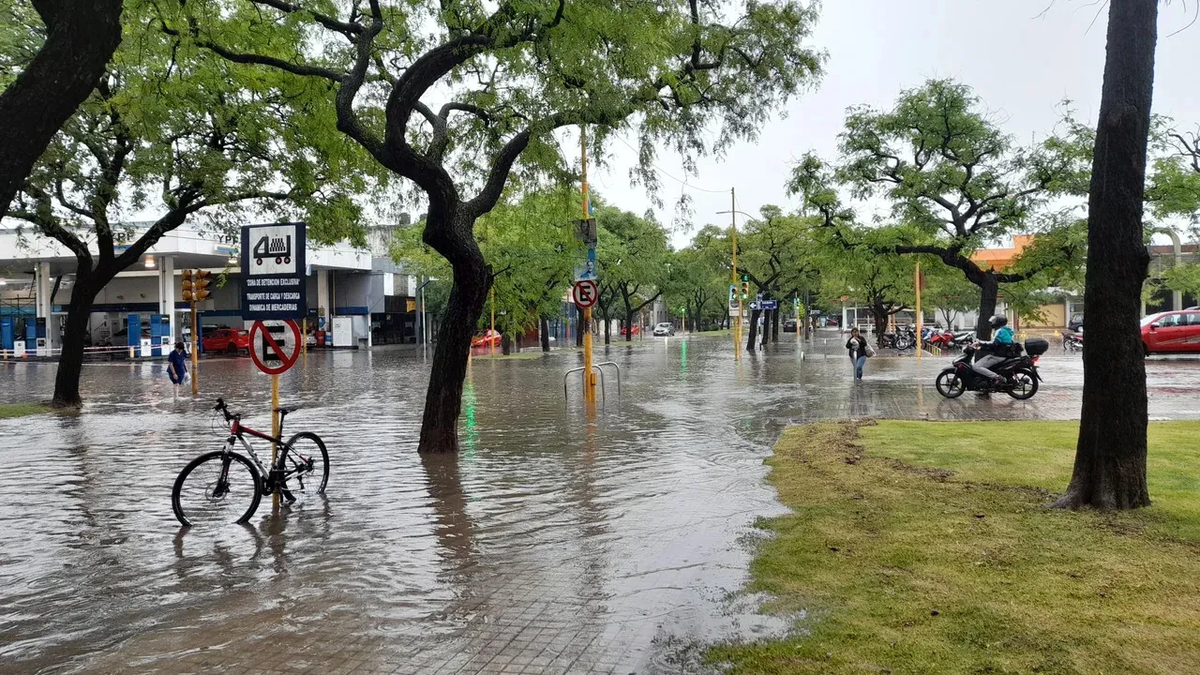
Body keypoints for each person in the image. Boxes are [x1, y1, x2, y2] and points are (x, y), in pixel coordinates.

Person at [972, 314, 1017, 387]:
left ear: (998, 322)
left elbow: (993, 344)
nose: (993, 322)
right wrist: (981, 347)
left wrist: (980, 342)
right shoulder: (1005, 330)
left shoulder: (1000, 331)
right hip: (1003, 354)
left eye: (994, 321)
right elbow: (996, 344)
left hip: (998, 355)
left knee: (976, 367)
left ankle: (997, 378)